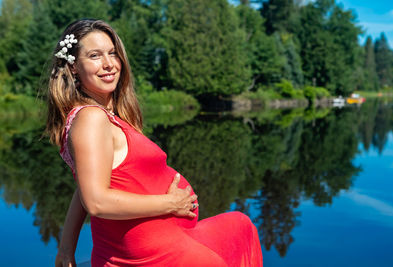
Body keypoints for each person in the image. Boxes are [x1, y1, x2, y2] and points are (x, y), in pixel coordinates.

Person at [47, 19, 262, 266]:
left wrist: (66, 249)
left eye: (113, 53)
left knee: (241, 227)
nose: (108, 64)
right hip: (147, 254)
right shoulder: (91, 118)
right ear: (73, 67)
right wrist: (170, 203)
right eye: (95, 56)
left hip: (168, 238)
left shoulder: (103, 117)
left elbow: (84, 189)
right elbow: (95, 201)